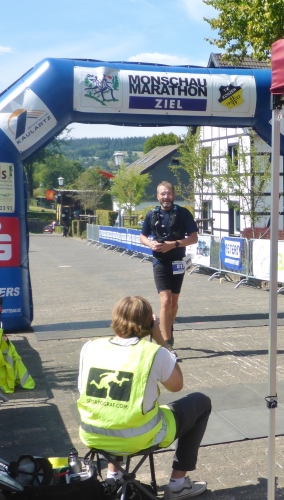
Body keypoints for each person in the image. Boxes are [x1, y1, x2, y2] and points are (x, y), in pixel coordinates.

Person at [77, 296, 210, 499]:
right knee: (201, 402)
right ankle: (178, 484)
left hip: (92, 434)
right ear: (150, 322)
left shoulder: (90, 347)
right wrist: (160, 338)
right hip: (137, 437)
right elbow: (177, 385)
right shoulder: (154, 352)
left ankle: (113, 476)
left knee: (114, 406)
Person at [140, 182, 199, 350]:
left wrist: (174, 244)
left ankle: (168, 328)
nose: (166, 197)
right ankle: (166, 343)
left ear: (173, 195)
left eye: (169, 194)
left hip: (178, 261)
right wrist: (150, 243)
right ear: (157, 196)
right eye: (163, 194)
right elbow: (142, 236)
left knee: (173, 301)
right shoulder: (152, 214)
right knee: (165, 300)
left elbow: (194, 238)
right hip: (160, 262)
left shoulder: (183, 213)